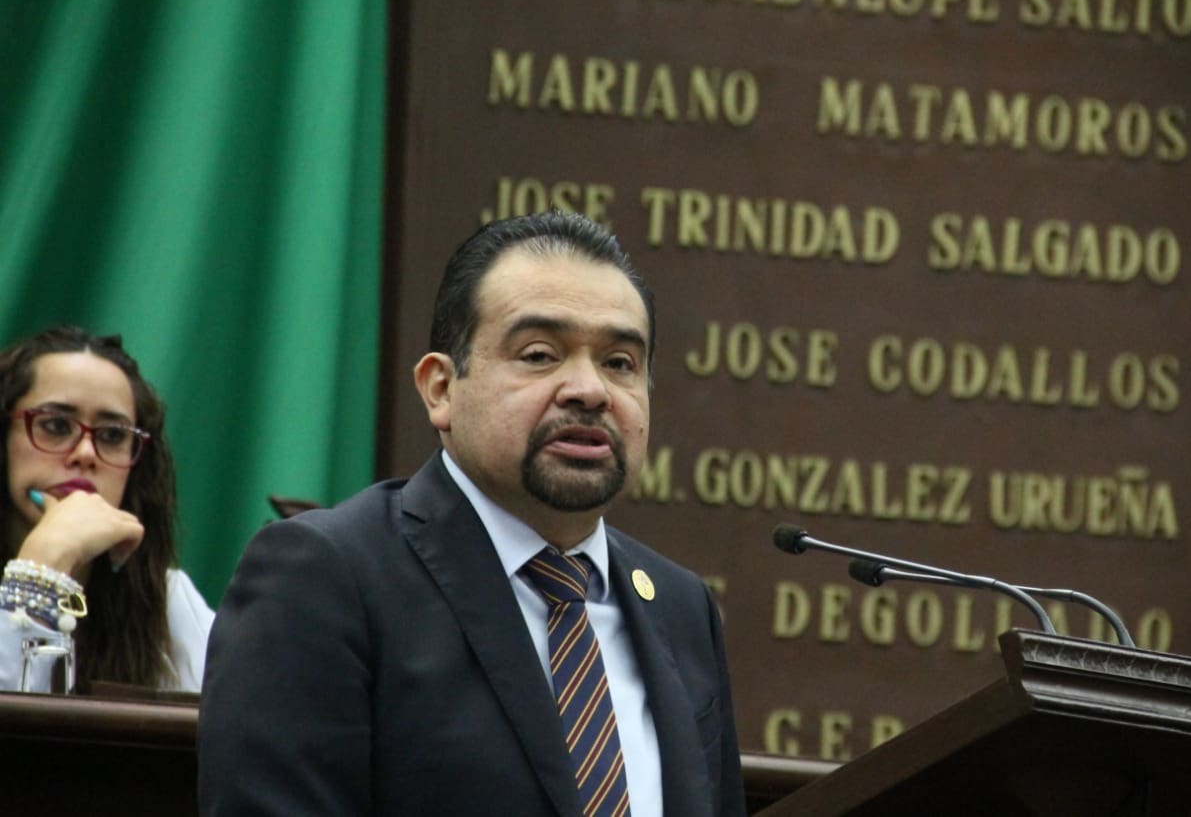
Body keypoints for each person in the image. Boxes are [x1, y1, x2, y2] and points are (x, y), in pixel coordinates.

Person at [199, 211, 746, 815]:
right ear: (440, 389)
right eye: (540, 354)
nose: (590, 390)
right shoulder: (327, 576)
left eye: (619, 363)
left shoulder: (681, 607)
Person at [0, 325, 213, 693]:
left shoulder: (167, 598)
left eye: (113, 435)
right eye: (55, 426)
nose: (85, 453)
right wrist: (41, 568)